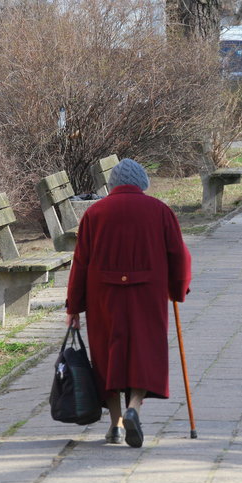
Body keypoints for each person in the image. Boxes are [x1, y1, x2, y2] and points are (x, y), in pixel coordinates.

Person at [66, 158, 192, 448]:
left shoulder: (94, 213)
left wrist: (74, 307)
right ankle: (135, 407)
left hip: (103, 296)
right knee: (143, 352)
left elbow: (81, 263)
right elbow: (179, 256)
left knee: (106, 356)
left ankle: (115, 425)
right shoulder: (160, 211)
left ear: (112, 185)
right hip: (147, 294)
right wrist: (178, 289)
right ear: (143, 183)